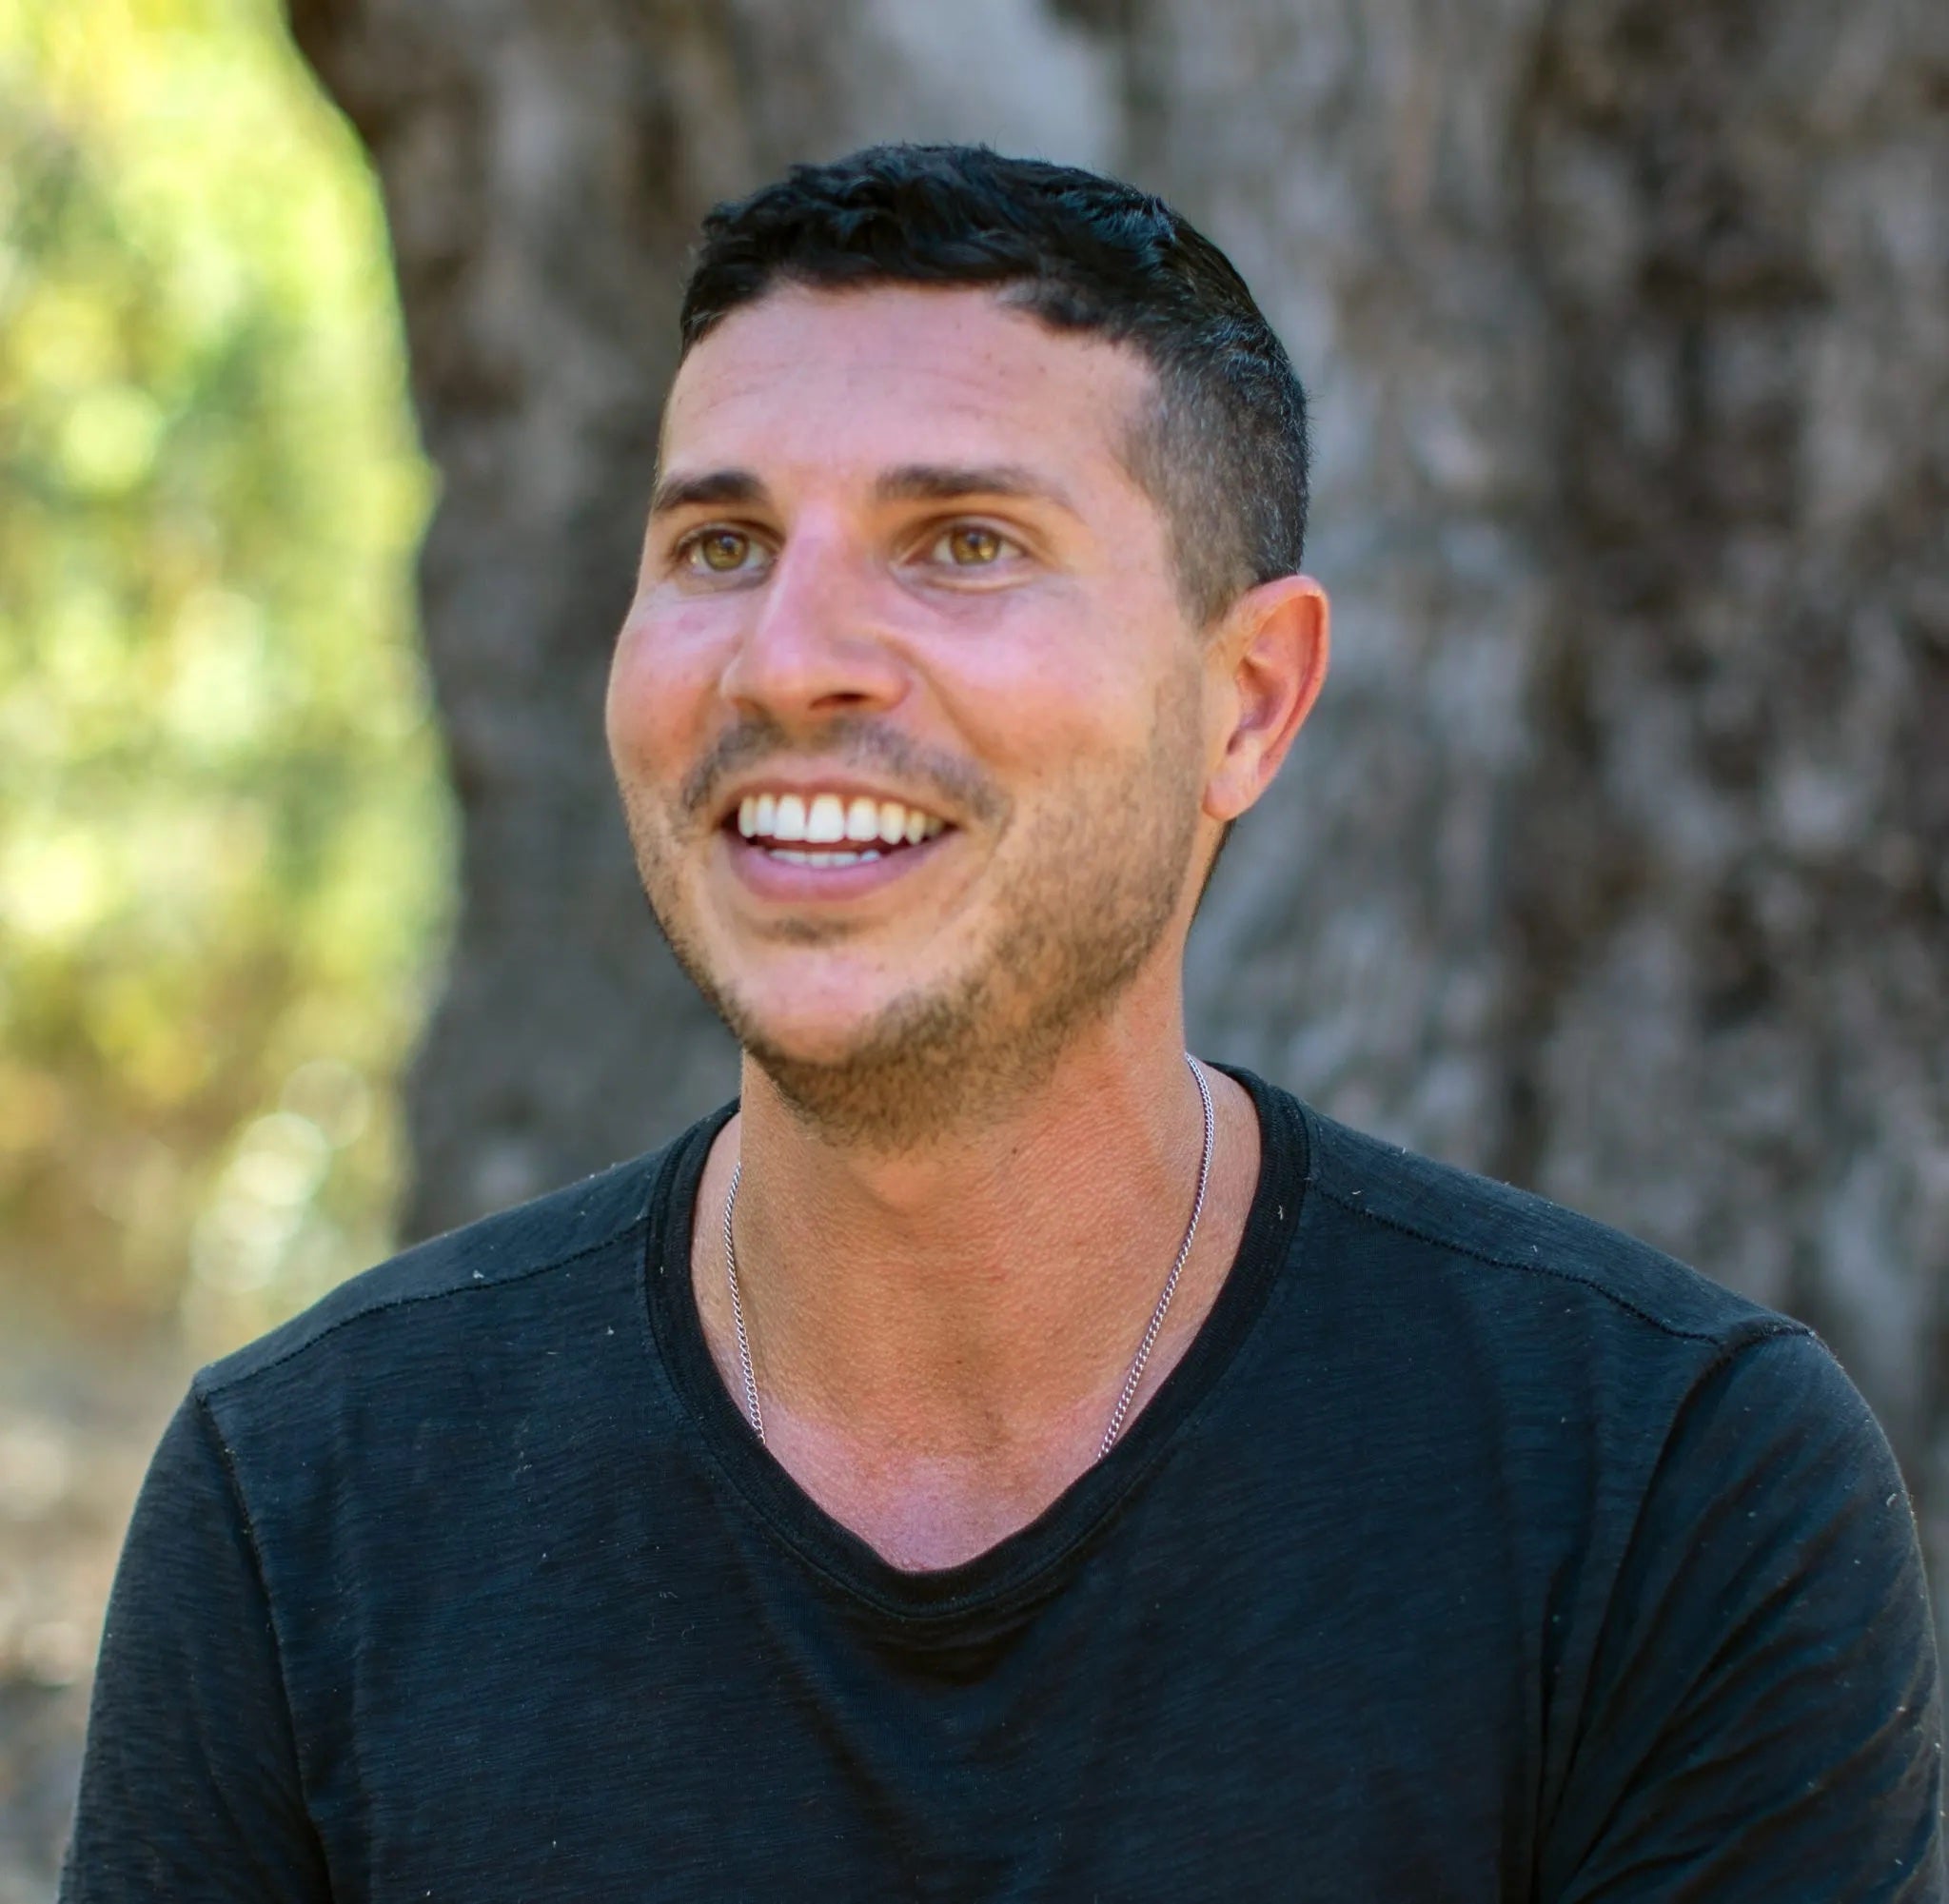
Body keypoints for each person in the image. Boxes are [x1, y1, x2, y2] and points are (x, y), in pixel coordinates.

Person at [64, 144, 1942, 1901]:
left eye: (960, 540)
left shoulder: (1664, 1492)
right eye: (719, 543)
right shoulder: (306, 1501)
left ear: (1248, 699)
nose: (791, 656)